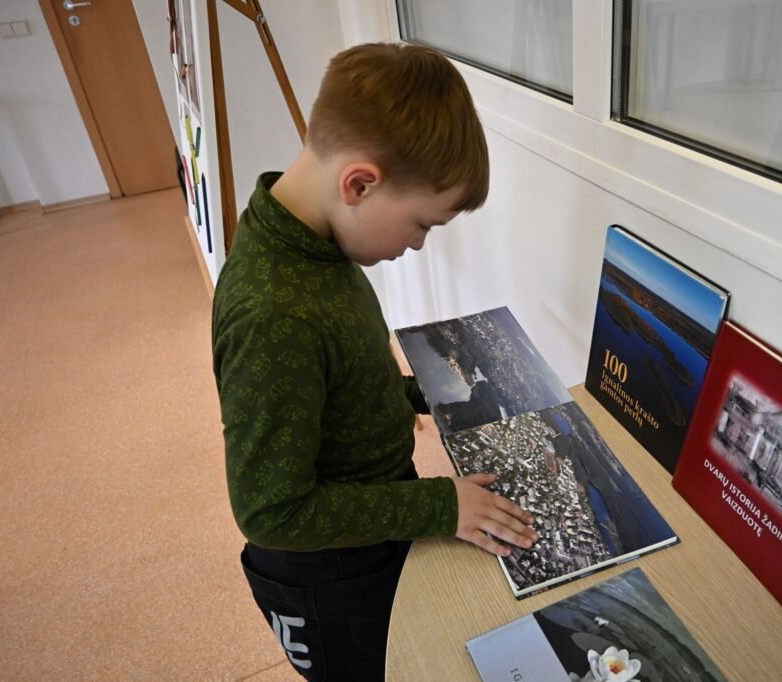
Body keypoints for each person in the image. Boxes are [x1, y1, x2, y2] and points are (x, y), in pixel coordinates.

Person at [211, 42, 538, 681]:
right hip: (331, 576)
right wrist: (441, 506)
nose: (418, 244)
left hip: (373, 520)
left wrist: (424, 393)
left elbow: (344, 374)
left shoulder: (315, 241)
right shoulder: (272, 313)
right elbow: (271, 512)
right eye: (422, 224)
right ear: (359, 184)